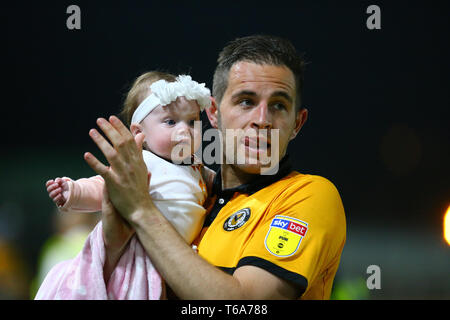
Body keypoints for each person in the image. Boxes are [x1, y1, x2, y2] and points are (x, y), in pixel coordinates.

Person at [86, 34, 346, 300]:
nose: (262, 120)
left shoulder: (309, 195)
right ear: (213, 113)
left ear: (297, 124)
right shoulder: (192, 198)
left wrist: (141, 211)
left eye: (279, 105)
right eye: (246, 101)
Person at [36, 72, 214, 299]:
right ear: (139, 133)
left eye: (192, 122)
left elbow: (218, 185)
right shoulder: (141, 163)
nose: (184, 130)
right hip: (141, 257)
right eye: (170, 121)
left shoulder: (197, 167)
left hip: (178, 258)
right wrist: (74, 191)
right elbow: (104, 185)